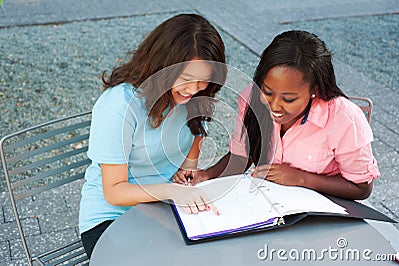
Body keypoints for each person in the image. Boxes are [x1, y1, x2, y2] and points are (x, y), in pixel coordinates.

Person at [79, 13, 227, 259]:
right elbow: (114, 192)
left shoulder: (189, 98)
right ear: (163, 66)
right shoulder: (120, 104)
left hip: (163, 210)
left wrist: (186, 173)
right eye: (187, 79)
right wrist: (173, 192)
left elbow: (196, 135)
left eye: (204, 81)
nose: (194, 90)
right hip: (110, 220)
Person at [174, 30, 380, 201]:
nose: (274, 106)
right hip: (268, 204)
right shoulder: (250, 98)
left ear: (314, 90)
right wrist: (208, 174)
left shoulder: (344, 118)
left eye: (289, 99)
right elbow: (243, 156)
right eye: (267, 92)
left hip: (323, 211)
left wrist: (302, 179)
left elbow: (361, 188)